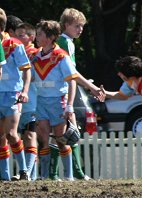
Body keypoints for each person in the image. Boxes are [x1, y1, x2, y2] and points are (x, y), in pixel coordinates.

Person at [33, 19, 102, 180]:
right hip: (40, 101)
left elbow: (72, 80)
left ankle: (69, 176)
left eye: (40, 34)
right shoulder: (35, 56)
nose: (36, 37)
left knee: (61, 139)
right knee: (43, 138)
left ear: (50, 37)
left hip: (58, 101)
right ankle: (45, 176)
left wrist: (70, 106)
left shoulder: (60, 56)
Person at [49, 7, 90, 181]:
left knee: (67, 132)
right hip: (61, 93)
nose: (80, 29)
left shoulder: (69, 42)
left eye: (81, 26)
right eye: (77, 26)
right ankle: (64, 173)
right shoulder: (64, 42)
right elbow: (71, 73)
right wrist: (90, 86)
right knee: (66, 132)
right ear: (66, 25)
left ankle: (68, 172)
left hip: (64, 91)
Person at [0, 8, 31, 181]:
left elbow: (27, 70)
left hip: (12, 93)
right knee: (0, 137)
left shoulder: (14, 45)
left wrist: (25, 91)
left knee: (11, 134)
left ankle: (24, 170)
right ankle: (4, 176)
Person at [14, 22, 39, 181]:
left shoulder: (36, 54)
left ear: (32, 37)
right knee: (18, 137)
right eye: (16, 35)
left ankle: (27, 173)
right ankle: (31, 174)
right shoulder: (13, 52)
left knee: (30, 136)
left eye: (21, 35)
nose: (17, 38)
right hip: (16, 102)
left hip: (32, 102)